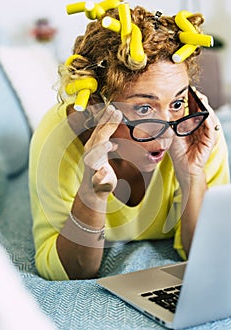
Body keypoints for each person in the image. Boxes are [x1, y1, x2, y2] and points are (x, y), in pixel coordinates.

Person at [29, 3, 230, 281]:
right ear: (97, 108)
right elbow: (68, 270)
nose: (167, 133)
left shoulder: (195, 127)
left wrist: (192, 174)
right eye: (144, 109)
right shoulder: (56, 141)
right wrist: (91, 194)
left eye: (177, 101)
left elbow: (209, 254)